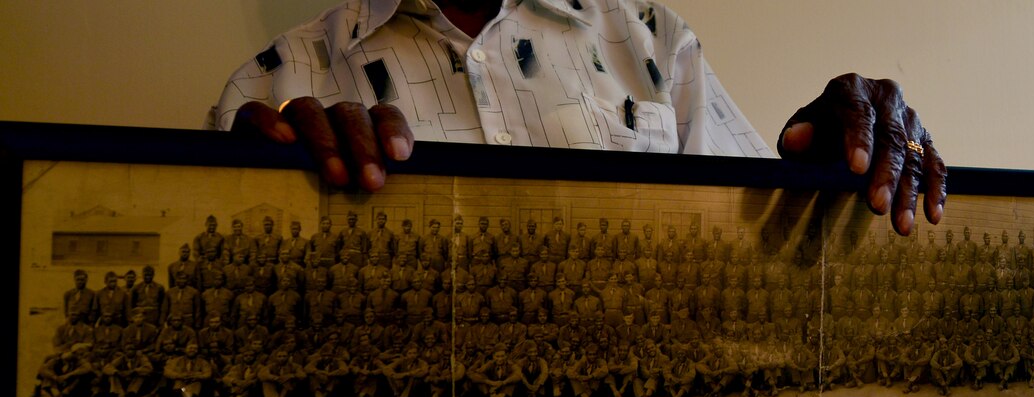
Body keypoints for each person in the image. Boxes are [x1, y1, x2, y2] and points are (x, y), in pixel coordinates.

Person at [217, 0, 944, 238]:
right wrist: (249, 210)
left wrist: (833, 176)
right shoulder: (274, 83)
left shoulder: (650, 35)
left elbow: (754, 241)